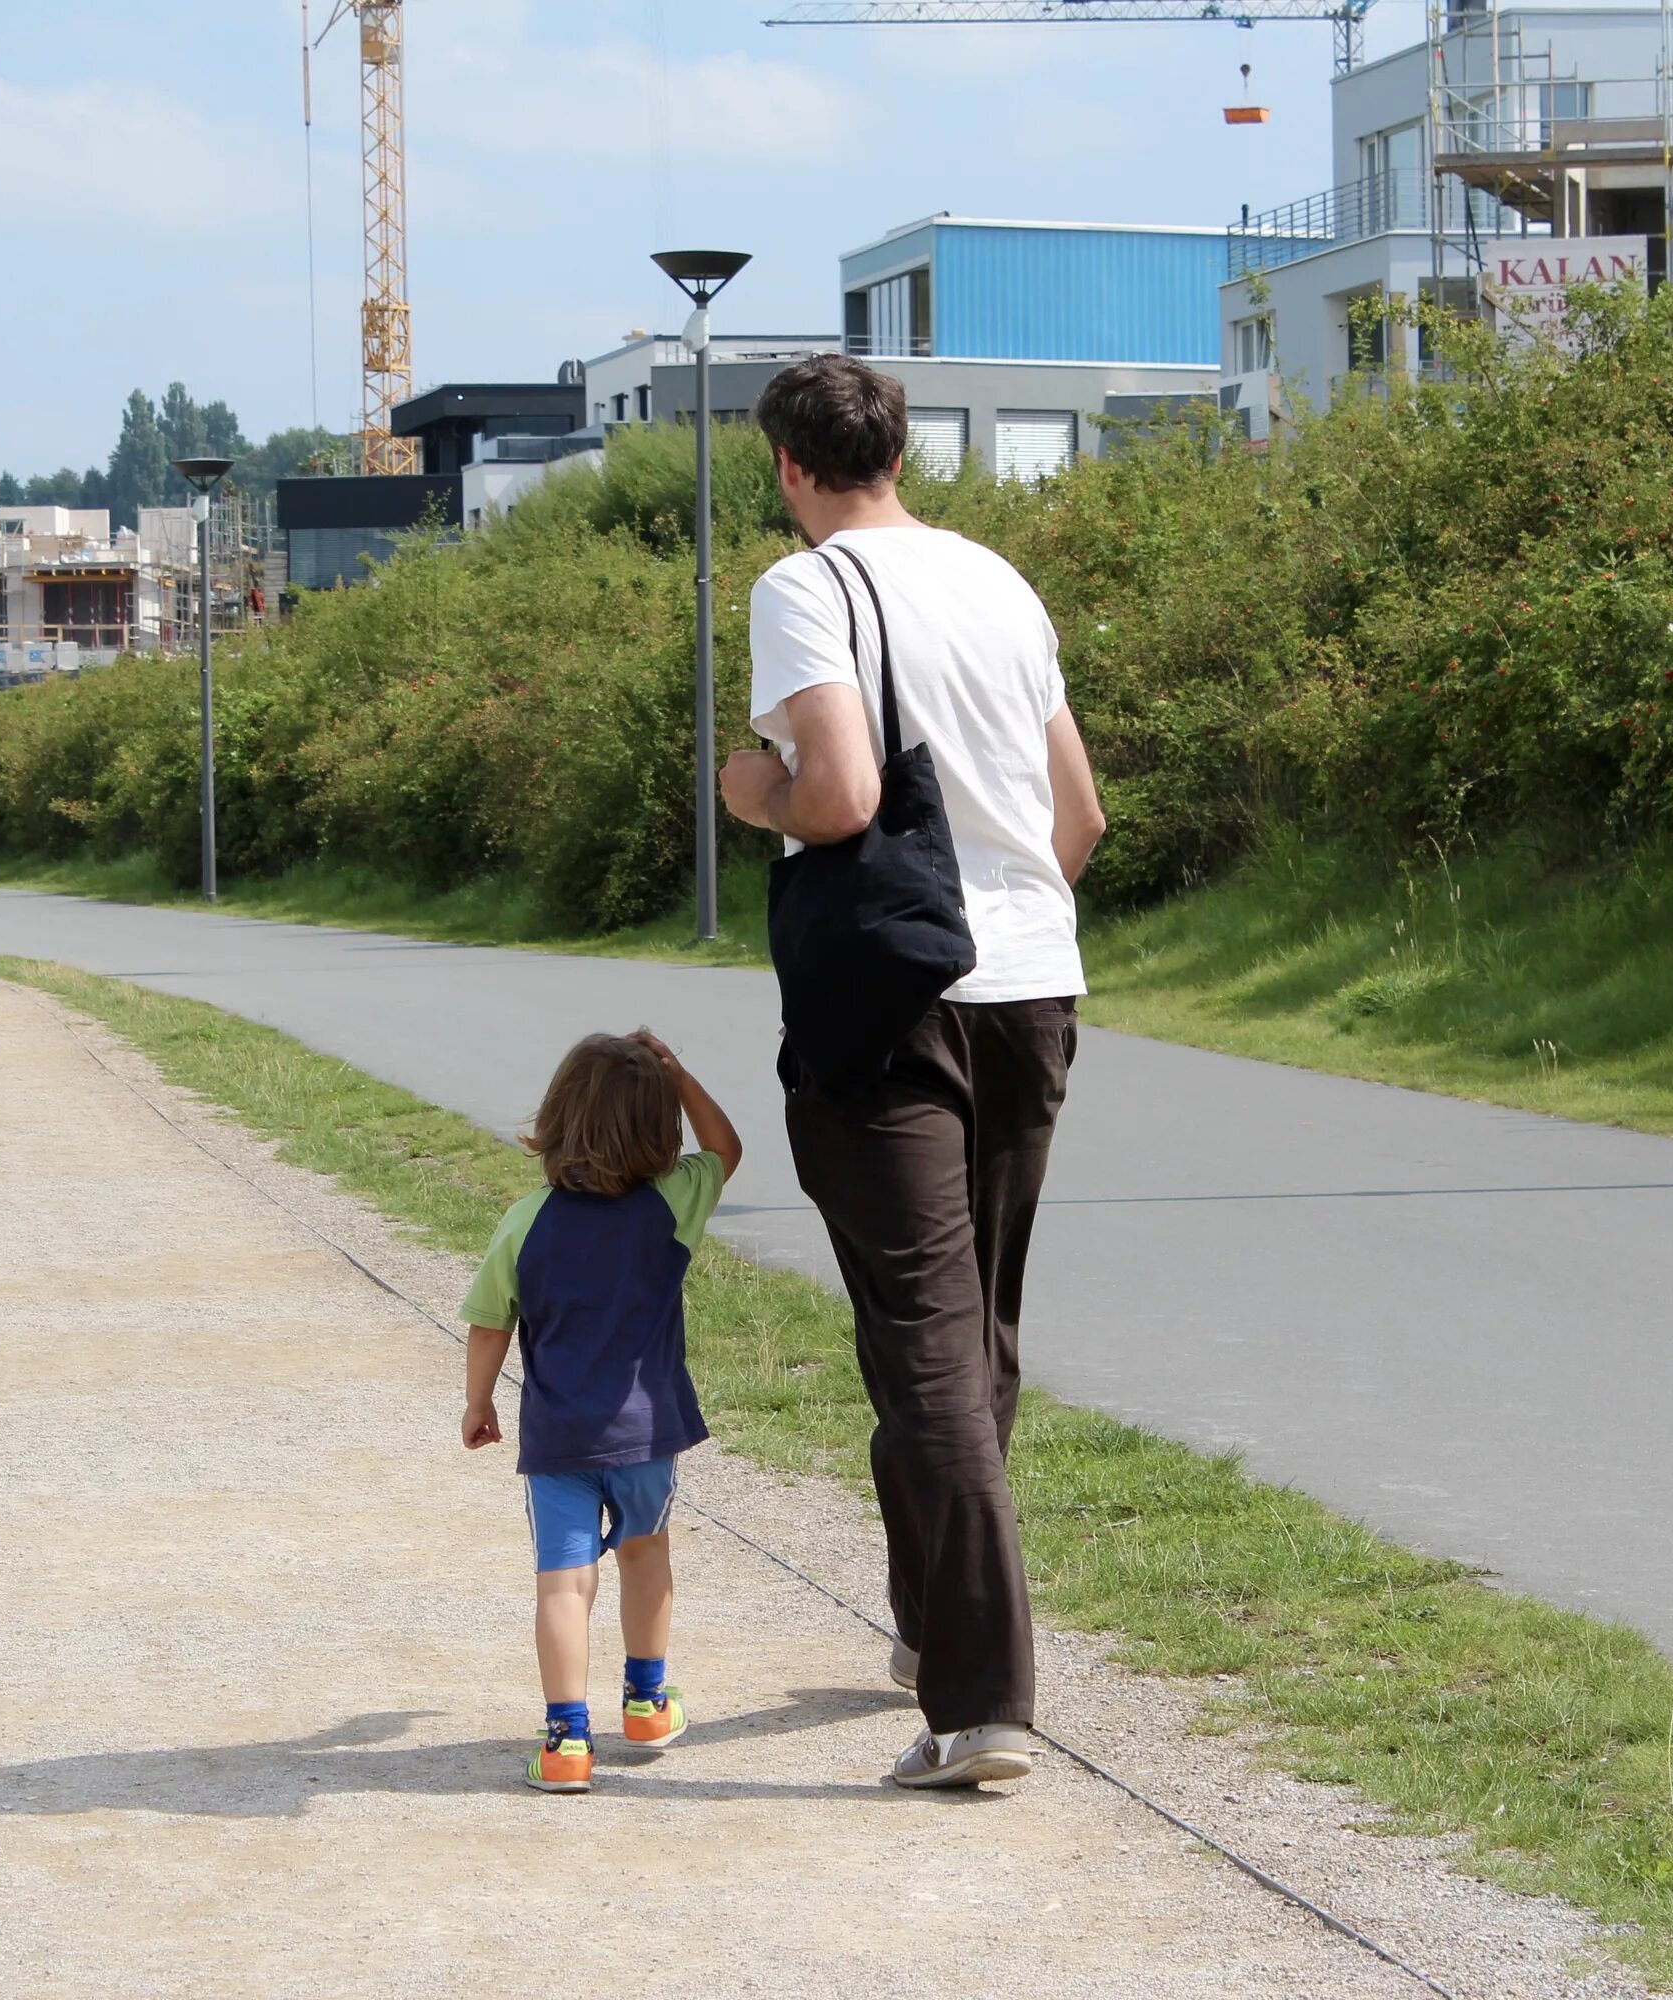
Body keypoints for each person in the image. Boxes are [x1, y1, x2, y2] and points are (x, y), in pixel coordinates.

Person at [719, 355, 1108, 1792]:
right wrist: (1008, 916)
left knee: (923, 1338)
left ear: (788, 465)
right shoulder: (1000, 582)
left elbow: (839, 795)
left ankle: (983, 1700)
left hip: (896, 1006)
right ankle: (929, 1623)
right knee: (972, 1327)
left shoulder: (804, 588)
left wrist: (742, 786)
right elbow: (1081, 813)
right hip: (1030, 986)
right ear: (899, 451)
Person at [461, 1029, 741, 1794]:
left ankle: (567, 1745)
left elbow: (491, 1323)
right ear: (658, 1130)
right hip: (648, 1433)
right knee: (645, 1555)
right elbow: (726, 1148)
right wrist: (679, 1073)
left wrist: (478, 1400)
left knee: (563, 1582)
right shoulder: (672, 1203)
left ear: (557, 1119)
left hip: (558, 1439)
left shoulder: (525, 1220)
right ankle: (648, 1703)